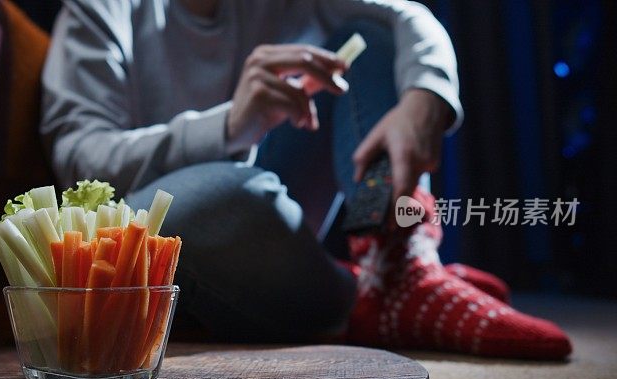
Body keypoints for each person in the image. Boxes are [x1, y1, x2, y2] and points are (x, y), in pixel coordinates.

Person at [41, 0, 571, 359]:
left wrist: (427, 96)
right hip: (177, 217)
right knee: (209, 204)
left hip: (263, 213)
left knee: (368, 36)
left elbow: (406, 14)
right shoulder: (100, 10)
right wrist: (225, 126)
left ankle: (401, 263)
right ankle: (372, 295)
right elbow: (78, 160)